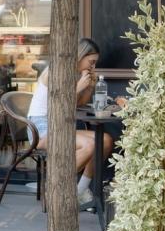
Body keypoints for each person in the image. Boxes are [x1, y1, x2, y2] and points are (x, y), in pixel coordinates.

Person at [27, 37, 113, 205]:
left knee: (106, 141)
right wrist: (79, 86)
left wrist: (88, 87)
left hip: (60, 126)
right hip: (41, 128)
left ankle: (80, 191)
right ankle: (56, 190)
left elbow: (76, 104)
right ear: (80, 56)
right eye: (91, 62)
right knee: (89, 145)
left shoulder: (74, 74)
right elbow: (58, 107)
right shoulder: (55, 71)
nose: (92, 67)